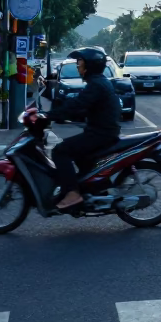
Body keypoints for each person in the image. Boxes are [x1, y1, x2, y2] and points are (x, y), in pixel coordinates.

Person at [46, 47, 122, 211]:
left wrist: (49, 115)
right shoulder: (98, 82)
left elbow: (78, 104)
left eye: (80, 62)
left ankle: (72, 194)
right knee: (81, 157)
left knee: (60, 151)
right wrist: (60, 114)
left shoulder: (96, 85)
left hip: (101, 133)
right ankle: (96, 187)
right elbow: (82, 107)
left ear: (90, 65)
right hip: (102, 131)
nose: (77, 66)